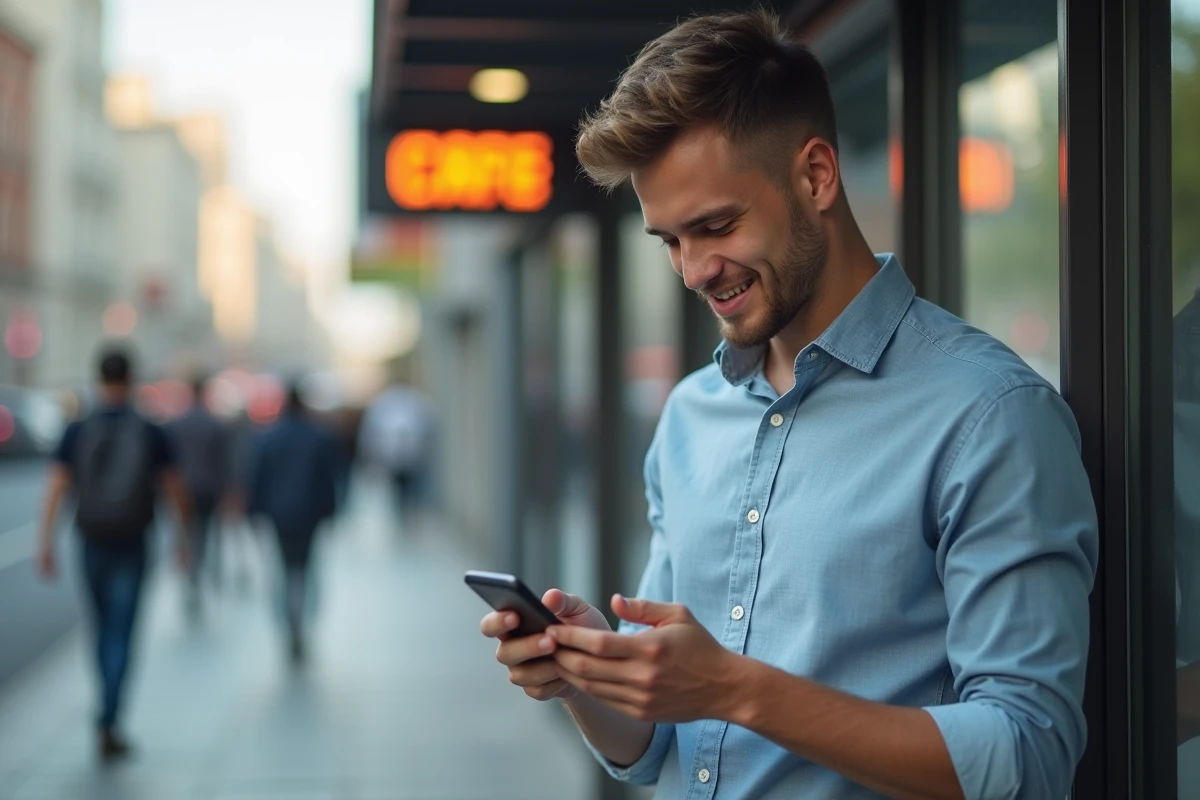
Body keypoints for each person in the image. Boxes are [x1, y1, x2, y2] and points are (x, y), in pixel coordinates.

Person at [480, 10, 1099, 800]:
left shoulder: (990, 416)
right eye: (668, 240)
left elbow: (1029, 754)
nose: (693, 270)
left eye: (715, 226)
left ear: (815, 177)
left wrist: (736, 690)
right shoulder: (688, 418)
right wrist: (590, 679)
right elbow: (654, 750)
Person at [35, 348, 190, 761]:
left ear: (99, 378)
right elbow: (174, 486)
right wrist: (184, 538)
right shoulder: (149, 429)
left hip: (91, 539)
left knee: (101, 627)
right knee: (122, 629)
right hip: (133, 539)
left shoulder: (78, 428)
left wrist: (45, 542)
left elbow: (56, 487)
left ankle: (104, 706)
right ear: (132, 378)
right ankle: (110, 716)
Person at [246, 382, 340, 663]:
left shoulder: (269, 437)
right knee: (306, 569)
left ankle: (289, 623)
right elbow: (329, 479)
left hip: (279, 514)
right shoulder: (318, 436)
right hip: (309, 514)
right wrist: (331, 512)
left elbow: (257, 477)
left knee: (285, 570)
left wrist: (254, 511)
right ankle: (301, 623)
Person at [165, 376, 230, 618]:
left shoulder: (177, 424)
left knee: (185, 533)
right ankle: (203, 572)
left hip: (183, 489)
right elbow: (225, 461)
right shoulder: (215, 424)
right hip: (209, 488)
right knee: (206, 533)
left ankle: (191, 578)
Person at [356, 369, 435, 533]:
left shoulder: (403, 401)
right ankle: (404, 515)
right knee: (403, 489)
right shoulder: (401, 401)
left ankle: (406, 514)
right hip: (400, 456)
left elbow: (372, 432)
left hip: (406, 456)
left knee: (407, 488)